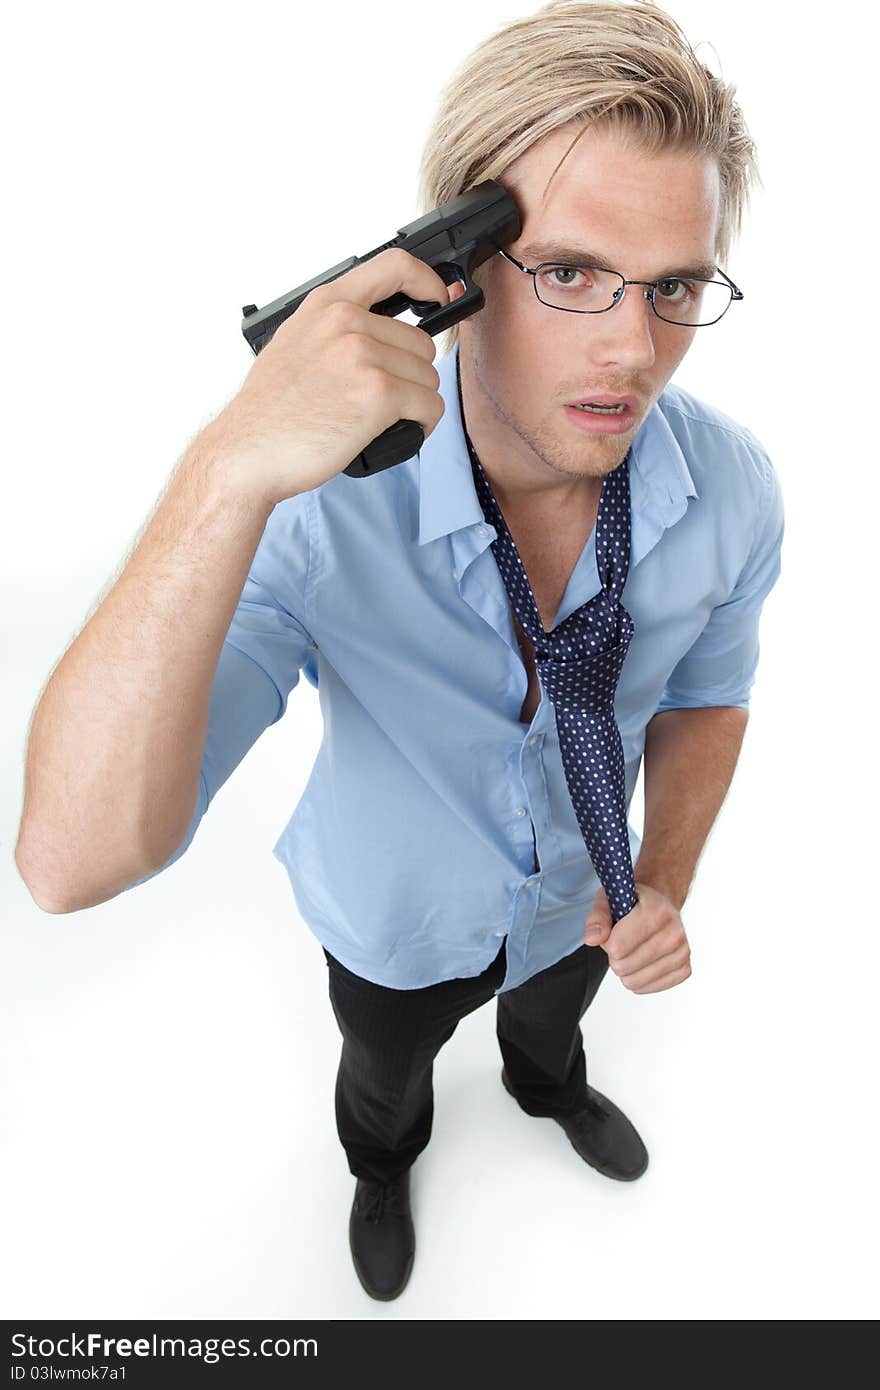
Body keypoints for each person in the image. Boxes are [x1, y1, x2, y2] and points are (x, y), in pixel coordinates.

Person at [15, 0, 784, 1302]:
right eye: (573, 271)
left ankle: (548, 1083)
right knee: (383, 1080)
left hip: (575, 906)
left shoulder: (735, 489)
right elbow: (68, 861)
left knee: (550, 1030)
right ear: (454, 267)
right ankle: (386, 1160)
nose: (632, 347)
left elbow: (709, 699)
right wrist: (227, 464)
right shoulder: (314, 511)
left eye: (674, 288)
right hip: (395, 927)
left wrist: (658, 878)